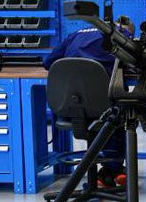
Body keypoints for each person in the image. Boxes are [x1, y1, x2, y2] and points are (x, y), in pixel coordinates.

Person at [43, 17, 135, 189]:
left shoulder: (75, 34)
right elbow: (134, 63)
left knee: (106, 114)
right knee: (119, 114)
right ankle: (113, 169)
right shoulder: (122, 35)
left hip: (69, 106)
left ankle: (106, 173)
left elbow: (48, 63)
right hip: (103, 107)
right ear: (128, 29)